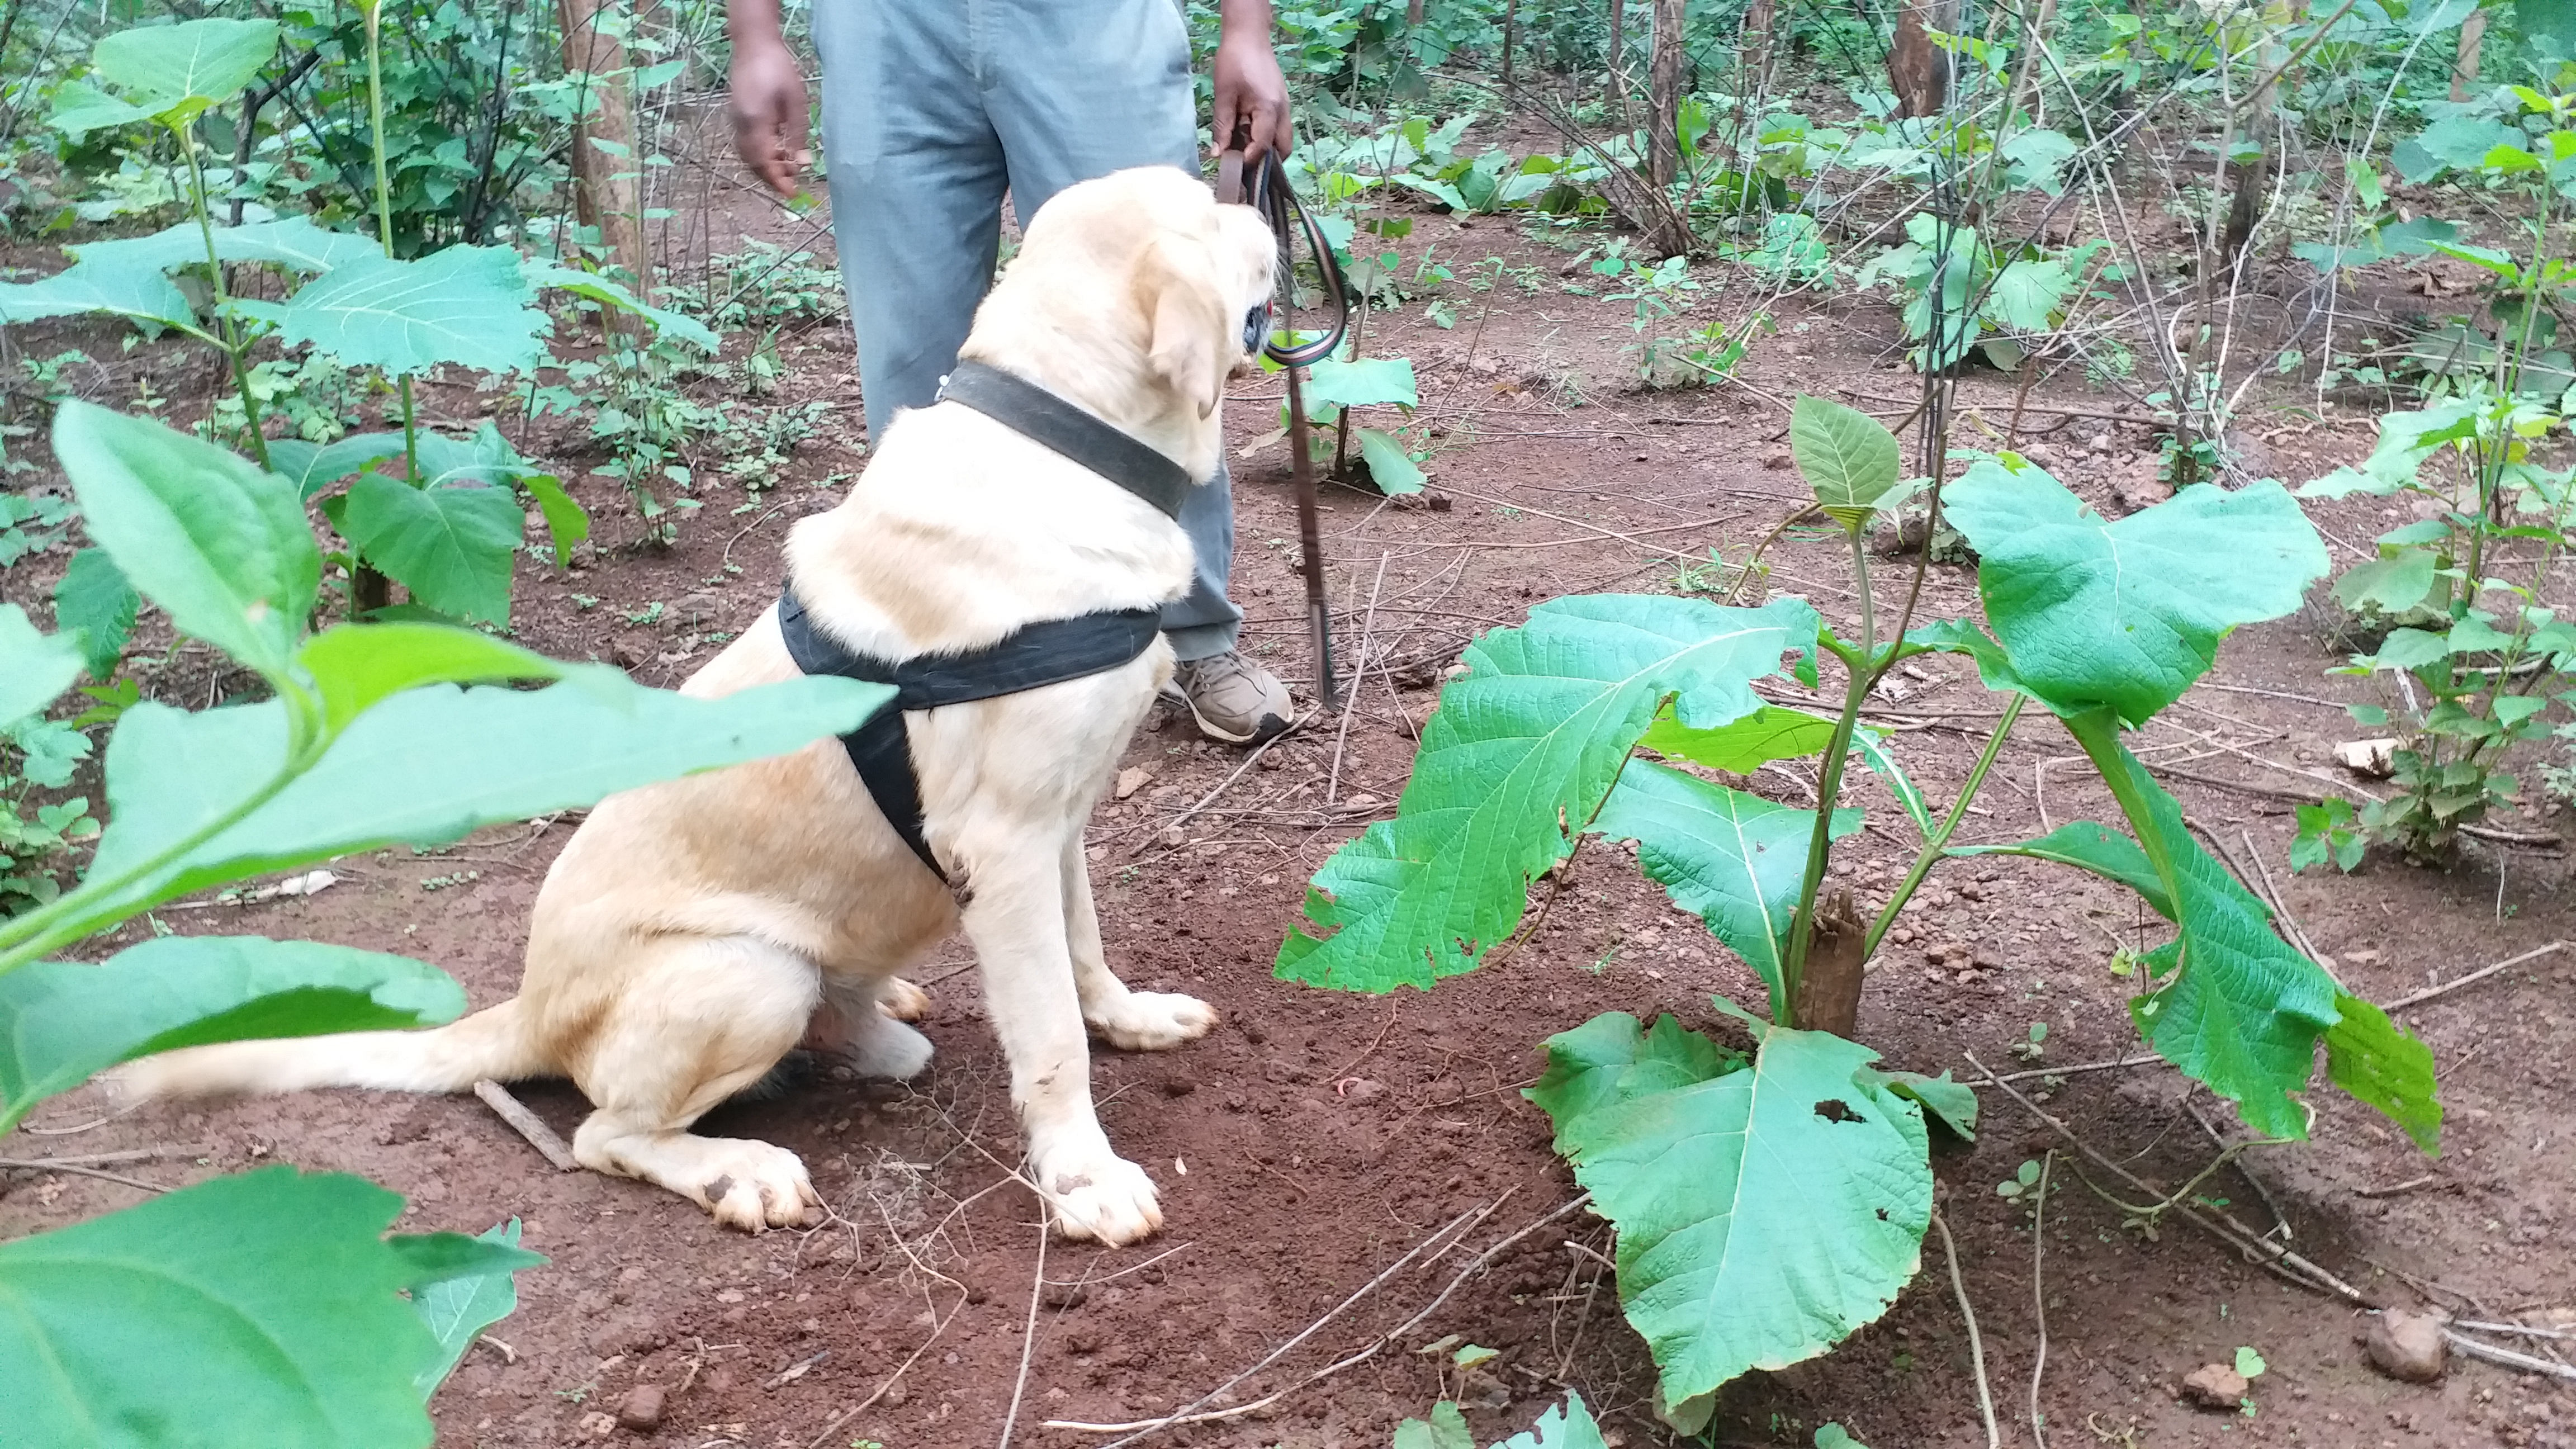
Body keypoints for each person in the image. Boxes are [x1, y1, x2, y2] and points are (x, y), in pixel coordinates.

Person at [725, 0, 1298, 745]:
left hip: (1095, 24)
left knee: (1160, 320)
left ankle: (1190, 637)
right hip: (885, 30)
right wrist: (756, 35)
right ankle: (933, 647)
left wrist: (1246, 28)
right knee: (909, 354)